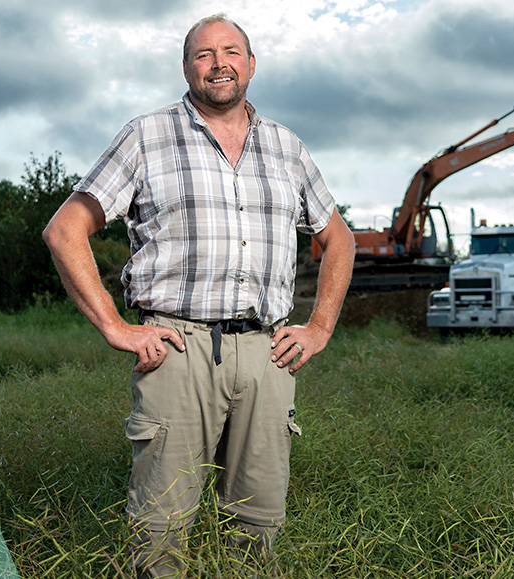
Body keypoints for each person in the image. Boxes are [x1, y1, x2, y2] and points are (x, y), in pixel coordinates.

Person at [42, 12, 355, 577]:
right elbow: (65, 230)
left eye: (231, 52)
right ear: (186, 67)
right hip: (177, 349)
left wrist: (320, 326)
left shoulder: (287, 147)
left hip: (266, 353)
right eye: (204, 54)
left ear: (251, 65)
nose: (219, 63)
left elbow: (340, 239)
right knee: (160, 529)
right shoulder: (146, 135)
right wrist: (116, 325)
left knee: (257, 528)